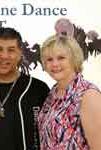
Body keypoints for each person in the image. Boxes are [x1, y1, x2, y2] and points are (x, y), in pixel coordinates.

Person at [38, 19, 101, 150]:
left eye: (61, 58)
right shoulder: (52, 94)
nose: (54, 64)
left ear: (74, 58)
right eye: (49, 59)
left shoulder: (88, 96)